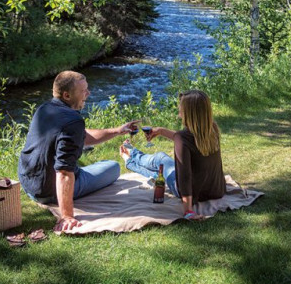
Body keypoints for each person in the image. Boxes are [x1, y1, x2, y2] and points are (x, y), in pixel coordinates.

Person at [18, 70, 138, 232]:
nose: (88, 93)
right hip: (48, 191)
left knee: (91, 167)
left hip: (28, 184)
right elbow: (64, 172)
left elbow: (83, 136)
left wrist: (117, 130)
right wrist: (66, 215)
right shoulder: (73, 122)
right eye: (83, 91)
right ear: (67, 96)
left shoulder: (45, 109)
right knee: (113, 167)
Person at [119, 90, 225, 221]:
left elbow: (184, 176)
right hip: (216, 190)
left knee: (160, 158)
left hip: (191, 192)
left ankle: (132, 155)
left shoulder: (182, 138)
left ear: (188, 112)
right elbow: (187, 140)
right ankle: (131, 157)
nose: (179, 111)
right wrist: (162, 131)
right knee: (160, 170)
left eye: (181, 108)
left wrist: (188, 211)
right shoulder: (212, 128)